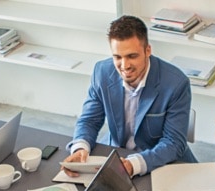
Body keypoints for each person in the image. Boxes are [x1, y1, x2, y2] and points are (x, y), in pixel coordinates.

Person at [64, 15, 196, 177]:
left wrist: (134, 165)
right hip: (117, 153)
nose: (124, 66)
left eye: (132, 56)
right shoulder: (102, 72)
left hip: (160, 161)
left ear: (148, 50)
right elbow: (89, 120)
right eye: (117, 57)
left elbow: (174, 143)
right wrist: (80, 148)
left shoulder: (176, 83)